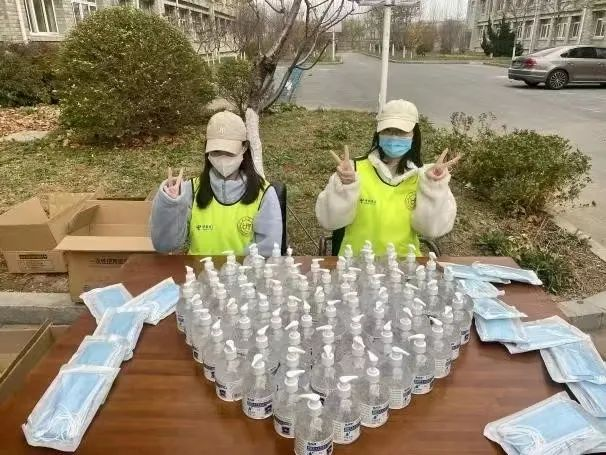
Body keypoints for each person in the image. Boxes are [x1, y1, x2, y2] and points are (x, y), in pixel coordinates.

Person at [315, 99, 459, 257]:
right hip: (356, 264)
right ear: (378, 134)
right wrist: (345, 186)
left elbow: (432, 230)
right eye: (388, 131)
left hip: (404, 266)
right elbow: (329, 221)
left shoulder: (425, 177)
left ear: (414, 136)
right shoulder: (353, 170)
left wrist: (433, 187)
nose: (394, 137)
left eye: (401, 132)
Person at [150, 110, 283, 256]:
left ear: (244, 148)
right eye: (216, 152)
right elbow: (164, 245)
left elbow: (269, 250)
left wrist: (231, 266)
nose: (222, 158)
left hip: (244, 270)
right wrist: (170, 205)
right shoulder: (191, 189)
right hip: (198, 269)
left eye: (229, 152)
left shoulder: (264, 193)